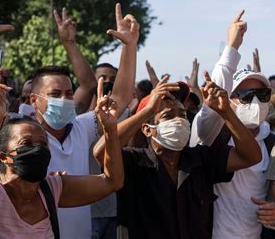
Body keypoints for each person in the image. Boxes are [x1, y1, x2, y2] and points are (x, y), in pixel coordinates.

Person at [0, 0, 137, 239]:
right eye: (55, 94)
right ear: (33, 99)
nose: (65, 98)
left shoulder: (81, 127)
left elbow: (119, 98)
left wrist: (129, 46)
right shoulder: (17, 131)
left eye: (69, 92)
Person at [0, 75, 123, 238]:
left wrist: (110, 129)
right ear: (4, 156)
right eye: (27, 143)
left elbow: (112, 181)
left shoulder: (52, 190)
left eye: (43, 144)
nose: (37, 149)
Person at [93, 73, 262, 239]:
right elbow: (101, 152)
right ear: (147, 129)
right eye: (168, 116)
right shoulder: (132, 162)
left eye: (182, 115)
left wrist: (226, 112)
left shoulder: (200, 159)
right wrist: (148, 110)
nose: (179, 121)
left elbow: (251, 156)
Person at [190, 11, 275, 239]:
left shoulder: (273, 143)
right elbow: (211, 109)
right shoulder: (214, 134)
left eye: (262, 93)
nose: (256, 101)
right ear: (229, 98)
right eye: (246, 95)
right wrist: (232, 46)